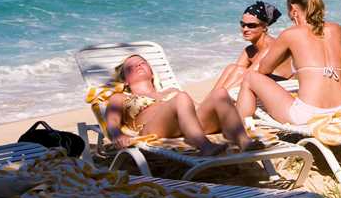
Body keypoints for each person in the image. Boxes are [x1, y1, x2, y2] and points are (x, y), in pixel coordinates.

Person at [235, 0, 341, 125]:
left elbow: (263, 69)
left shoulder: (290, 34)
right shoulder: (336, 29)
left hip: (310, 114)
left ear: (293, 9)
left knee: (250, 77)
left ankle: (241, 132)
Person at [105, 54, 257, 154]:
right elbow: (112, 121)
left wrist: (226, 110)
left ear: (151, 73)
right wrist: (117, 134)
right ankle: (203, 145)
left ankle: (242, 140)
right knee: (181, 97)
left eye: (142, 63)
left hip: (188, 124)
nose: (138, 66)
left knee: (220, 93)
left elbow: (197, 108)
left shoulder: (171, 90)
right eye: (131, 67)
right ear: (125, 80)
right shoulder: (120, 97)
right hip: (153, 129)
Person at [212, 1, 291, 93]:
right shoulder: (249, 50)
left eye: (251, 25)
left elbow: (246, 76)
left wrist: (223, 94)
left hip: (285, 88)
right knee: (231, 68)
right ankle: (209, 102)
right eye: (243, 24)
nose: (245, 29)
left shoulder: (270, 46)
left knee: (241, 72)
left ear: (264, 27)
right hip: (266, 85)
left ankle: (215, 101)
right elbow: (236, 73)